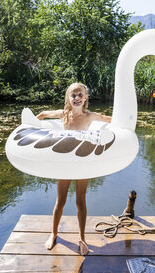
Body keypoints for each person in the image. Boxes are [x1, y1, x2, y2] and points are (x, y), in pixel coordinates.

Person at [36, 83, 111, 255]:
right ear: (68, 99)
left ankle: (82, 239)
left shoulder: (90, 116)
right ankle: (53, 233)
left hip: (82, 164)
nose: (76, 98)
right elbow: (44, 114)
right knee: (60, 201)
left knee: (80, 202)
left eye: (80, 95)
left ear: (85, 98)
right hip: (65, 164)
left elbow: (110, 120)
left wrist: (127, 121)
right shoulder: (64, 115)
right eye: (73, 95)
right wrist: (30, 123)